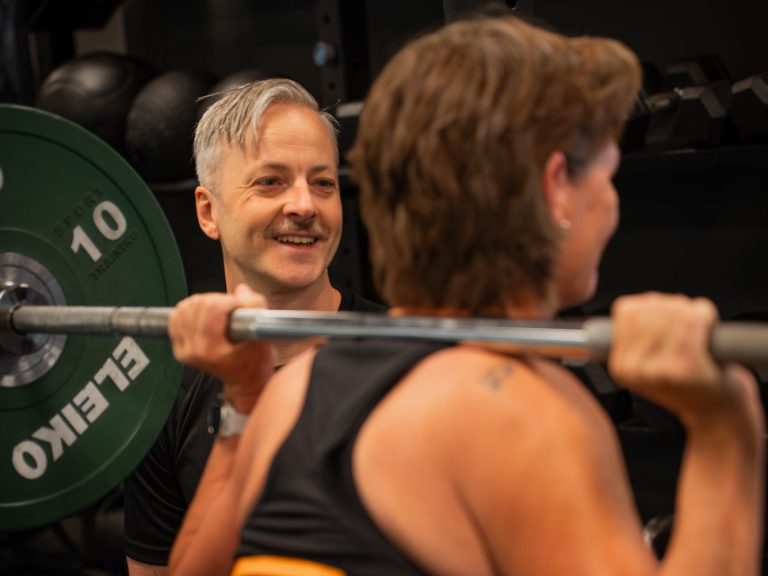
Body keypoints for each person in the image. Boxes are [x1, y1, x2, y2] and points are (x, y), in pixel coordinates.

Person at [166, 15, 765, 576]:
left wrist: (244, 397)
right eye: (606, 175)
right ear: (556, 188)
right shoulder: (527, 416)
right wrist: (724, 427)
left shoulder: (293, 393)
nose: (610, 205)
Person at [123, 78, 385, 575]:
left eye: (323, 182)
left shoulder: (407, 361)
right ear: (208, 211)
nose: (305, 206)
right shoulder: (165, 396)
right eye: (271, 181)